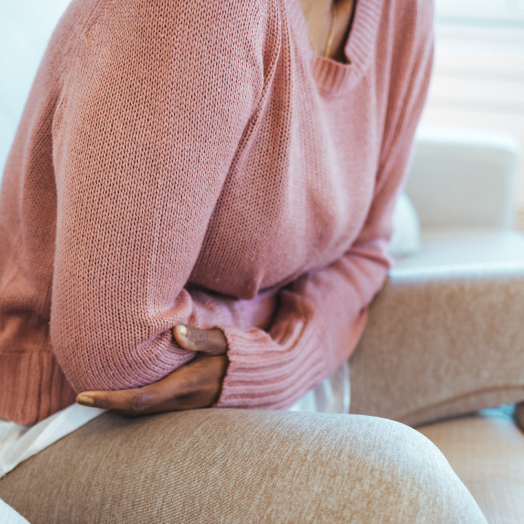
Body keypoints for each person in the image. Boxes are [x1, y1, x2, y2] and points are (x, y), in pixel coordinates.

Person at [0, 0, 488, 521]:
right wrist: (270, 340)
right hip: (67, 416)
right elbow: (116, 350)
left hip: (243, 355)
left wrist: (275, 358)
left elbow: (368, 248)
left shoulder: (404, 10)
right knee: (407, 489)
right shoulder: (200, 13)